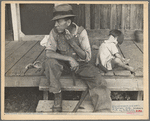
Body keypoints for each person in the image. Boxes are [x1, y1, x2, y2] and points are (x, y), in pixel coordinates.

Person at [40, 4, 111, 112]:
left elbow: (87, 57)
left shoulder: (81, 32)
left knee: (97, 78)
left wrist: (73, 44)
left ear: (68, 22)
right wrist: (69, 59)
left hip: (81, 65)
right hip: (63, 64)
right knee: (50, 62)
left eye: (58, 21)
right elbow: (49, 53)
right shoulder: (54, 32)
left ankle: (103, 110)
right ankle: (57, 95)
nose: (55, 24)